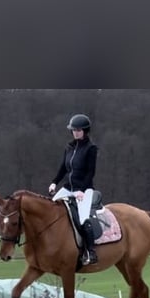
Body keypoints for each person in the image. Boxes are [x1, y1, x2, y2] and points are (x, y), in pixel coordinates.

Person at [48, 113, 99, 265]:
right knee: (51, 208)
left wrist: (82, 191)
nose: (75, 132)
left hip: (85, 189)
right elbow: (63, 168)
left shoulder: (91, 149)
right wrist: (54, 182)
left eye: (78, 130)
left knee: (83, 219)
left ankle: (91, 252)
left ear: (85, 131)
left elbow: (91, 172)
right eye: (73, 130)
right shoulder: (69, 147)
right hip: (68, 188)